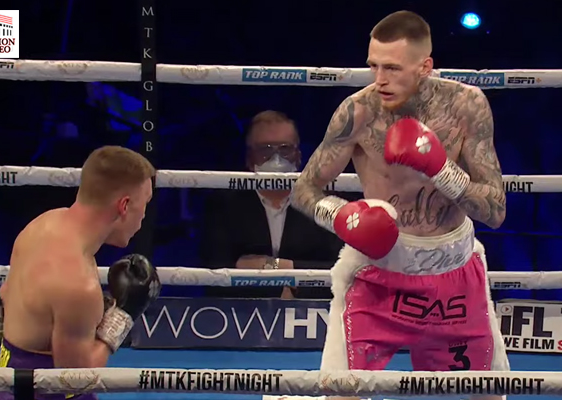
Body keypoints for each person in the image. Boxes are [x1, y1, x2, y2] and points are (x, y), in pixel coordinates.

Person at [292, 10, 508, 400]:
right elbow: (304, 190)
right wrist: (339, 215)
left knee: (487, 394)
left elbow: (495, 212)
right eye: (373, 65)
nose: (379, 79)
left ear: (425, 66)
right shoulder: (357, 112)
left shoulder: (466, 106)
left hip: (454, 274)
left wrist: (442, 170)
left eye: (392, 68)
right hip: (378, 273)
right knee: (341, 394)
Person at [0, 145, 161, 400]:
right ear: (124, 205)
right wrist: (122, 316)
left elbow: (8, 293)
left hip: (5, 384)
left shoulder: (43, 223)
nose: (144, 214)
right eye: (145, 203)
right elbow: (76, 380)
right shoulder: (77, 285)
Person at [201, 110, 345, 299]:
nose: (276, 158)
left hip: (312, 309)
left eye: (285, 149)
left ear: (298, 156)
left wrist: (280, 267)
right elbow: (213, 276)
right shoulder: (224, 204)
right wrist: (278, 290)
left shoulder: (324, 203)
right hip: (243, 311)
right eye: (265, 150)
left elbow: (342, 269)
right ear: (249, 158)